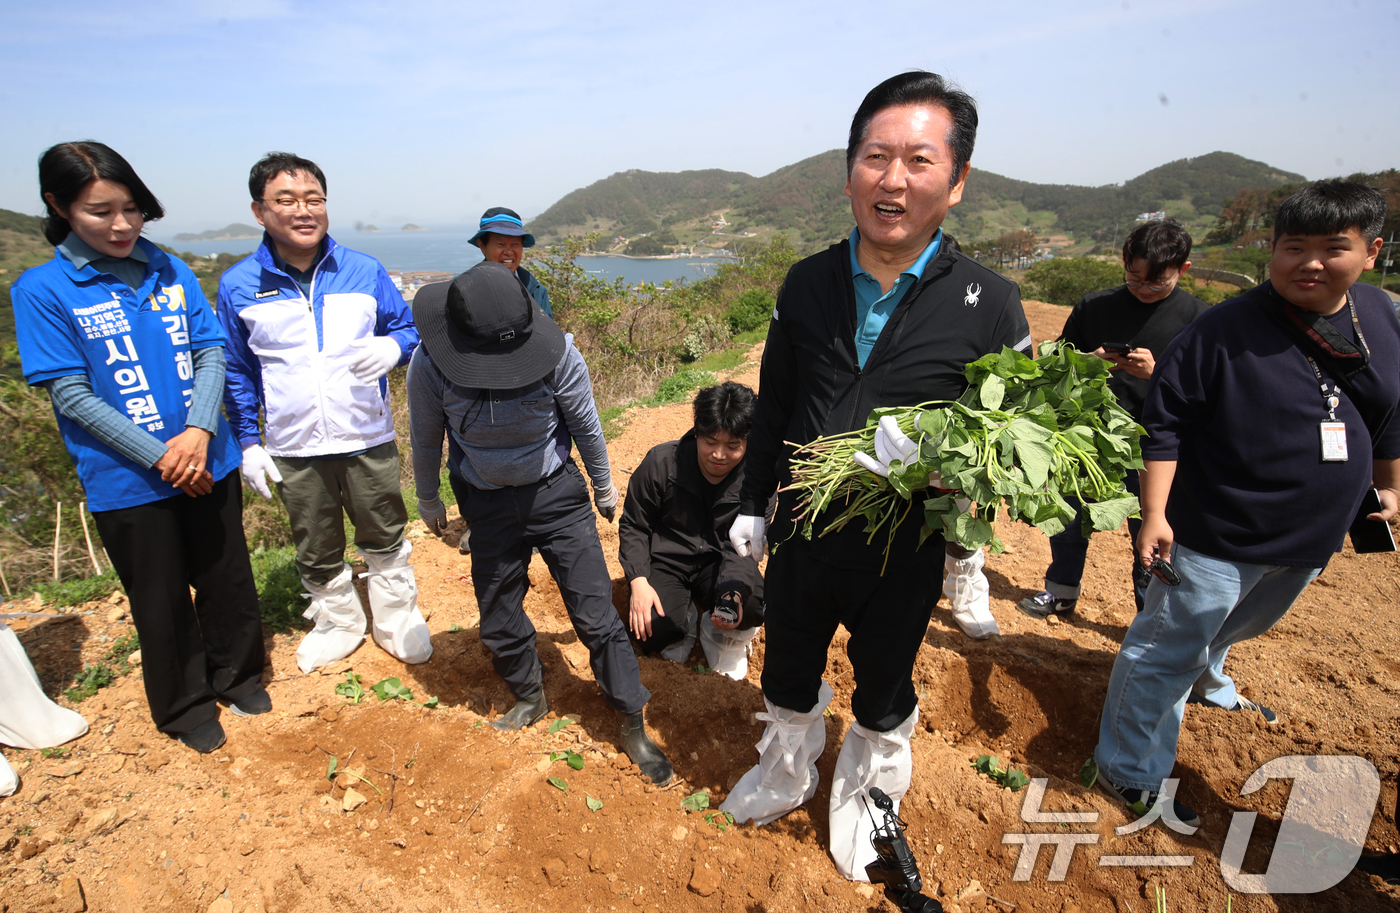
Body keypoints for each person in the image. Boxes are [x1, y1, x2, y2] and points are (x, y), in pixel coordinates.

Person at [719, 72, 1033, 881]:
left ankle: (865, 800)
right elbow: (779, 403)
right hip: (804, 536)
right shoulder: (807, 282)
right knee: (787, 668)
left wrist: (957, 482)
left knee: (884, 686)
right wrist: (753, 505)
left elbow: (1005, 440)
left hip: (905, 549)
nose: (893, 179)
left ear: (955, 183)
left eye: (919, 161)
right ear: (849, 167)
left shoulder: (991, 303)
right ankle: (786, 771)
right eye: (875, 156)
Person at [1086, 179, 1400, 828]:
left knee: (1229, 629)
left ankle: (1211, 684)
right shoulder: (1222, 329)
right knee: (1166, 643)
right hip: (1215, 532)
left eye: (1331, 248)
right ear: (1272, 253)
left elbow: (1390, 410)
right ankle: (1127, 769)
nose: (1309, 262)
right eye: (1293, 247)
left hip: (1310, 540)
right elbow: (1165, 423)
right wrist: (1156, 514)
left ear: (1370, 251)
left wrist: (1390, 483)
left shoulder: (1382, 317)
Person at [12, 142, 268, 754]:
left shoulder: (169, 268)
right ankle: (185, 704)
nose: (122, 225)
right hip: (127, 475)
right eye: (101, 211)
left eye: (131, 208)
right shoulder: (43, 289)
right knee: (158, 593)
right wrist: (164, 455)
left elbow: (208, 350)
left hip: (209, 454)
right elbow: (71, 394)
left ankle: (240, 673)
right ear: (59, 205)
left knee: (225, 572)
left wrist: (200, 433)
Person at [407, 261, 674, 786]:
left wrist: (601, 486)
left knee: (595, 613)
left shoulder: (560, 356)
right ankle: (530, 694)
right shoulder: (431, 364)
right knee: (498, 609)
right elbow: (425, 435)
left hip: (555, 495)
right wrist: (429, 501)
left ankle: (630, 720)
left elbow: (587, 425)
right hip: (483, 500)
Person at [218, 152, 431, 675]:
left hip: (366, 435)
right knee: (314, 541)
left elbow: (408, 327)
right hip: (293, 444)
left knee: (384, 530)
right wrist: (248, 442)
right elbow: (236, 369)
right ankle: (338, 621)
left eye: (314, 198)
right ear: (259, 210)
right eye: (286, 200)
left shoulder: (363, 270)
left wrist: (395, 348)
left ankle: (396, 618)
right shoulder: (239, 284)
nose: (303, 210)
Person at [1017, 220, 1209, 619]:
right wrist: (1092, 361)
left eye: (1157, 284)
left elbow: (1208, 394)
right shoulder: (1095, 306)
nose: (1143, 290)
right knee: (1068, 515)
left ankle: (1150, 611)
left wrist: (1156, 375)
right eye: (1134, 278)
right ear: (1124, 261)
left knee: (1150, 530)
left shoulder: (1201, 320)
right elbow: (1054, 366)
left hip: (1156, 445)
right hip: (1088, 435)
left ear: (1184, 270)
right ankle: (1061, 590)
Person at [619, 381, 768, 680]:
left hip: (718, 562)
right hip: (667, 561)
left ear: (749, 442)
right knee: (650, 629)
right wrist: (637, 579)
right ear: (697, 432)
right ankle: (683, 618)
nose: (719, 455)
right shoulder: (662, 463)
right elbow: (634, 525)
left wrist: (734, 592)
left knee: (751, 607)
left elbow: (743, 547)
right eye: (711, 442)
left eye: (733, 446)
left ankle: (720, 632)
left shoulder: (757, 483)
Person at [471, 206, 553, 317]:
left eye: (515, 244)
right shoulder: (463, 289)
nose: (509, 252)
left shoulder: (536, 290)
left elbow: (547, 331)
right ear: (483, 246)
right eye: (500, 244)